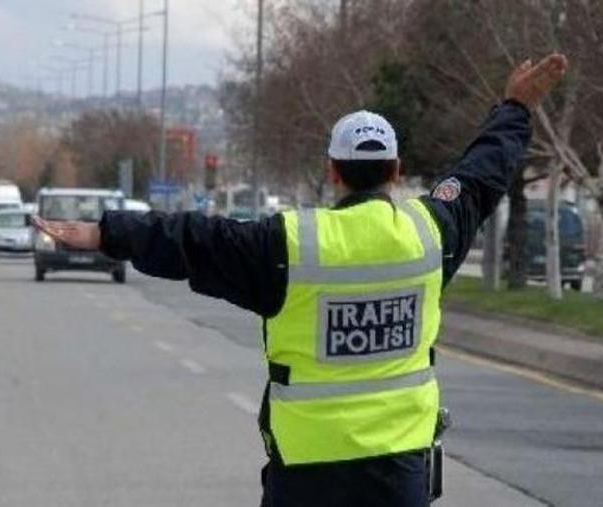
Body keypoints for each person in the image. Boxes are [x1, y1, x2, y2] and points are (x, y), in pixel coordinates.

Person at [33, 53, 567, 507]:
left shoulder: (288, 245)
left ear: (333, 172)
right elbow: (480, 174)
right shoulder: (431, 234)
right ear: (397, 169)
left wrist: (104, 232)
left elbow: (191, 239)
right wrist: (516, 107)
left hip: (309, 473)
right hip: (400, 474)